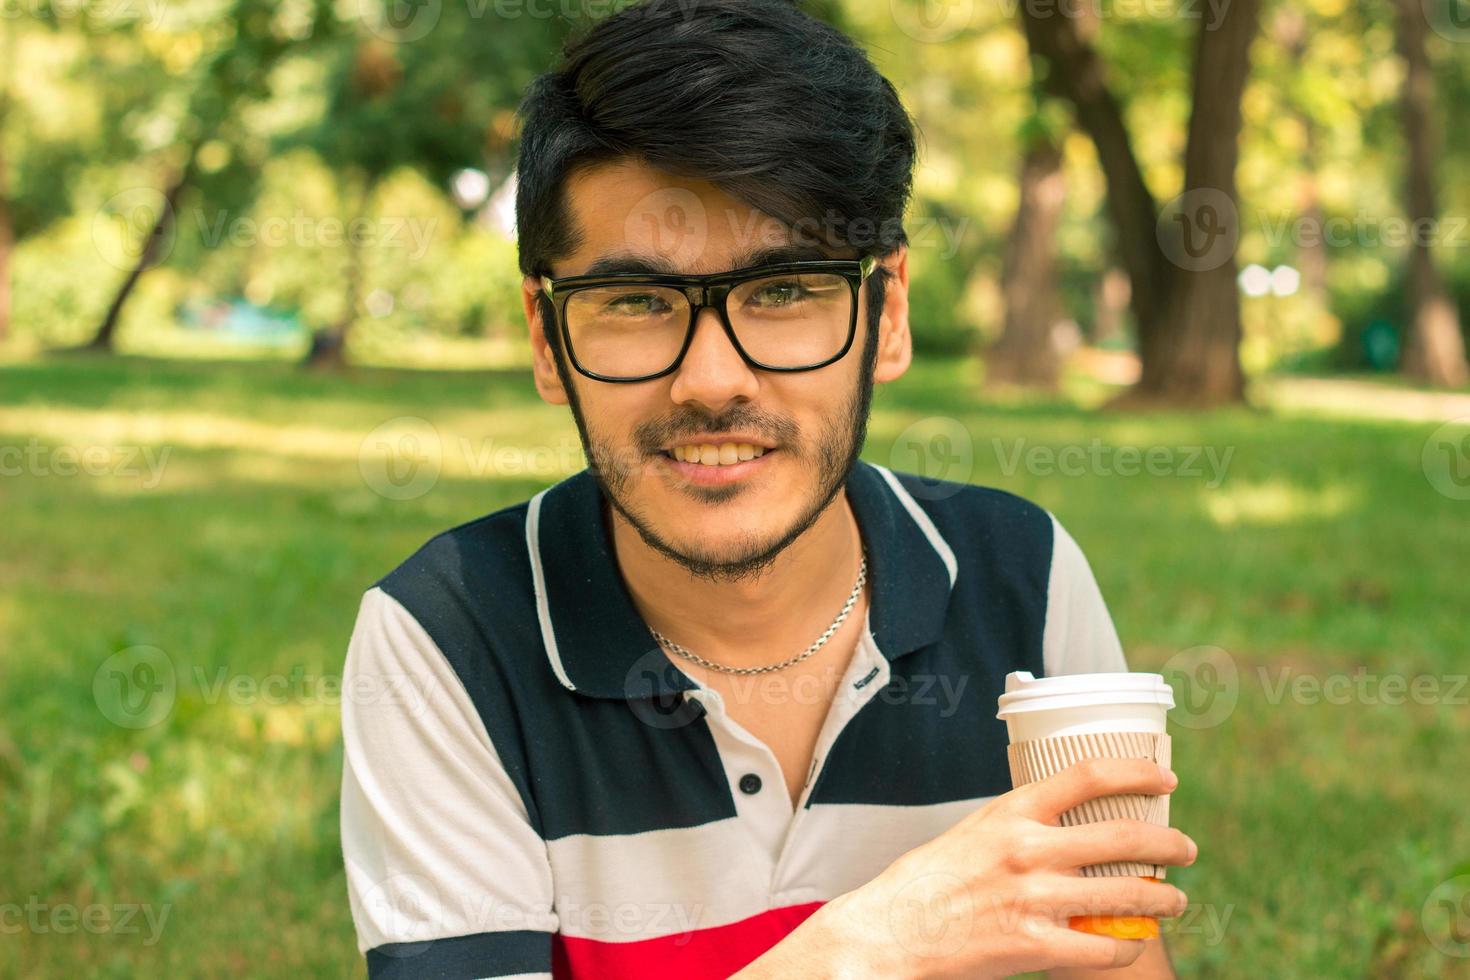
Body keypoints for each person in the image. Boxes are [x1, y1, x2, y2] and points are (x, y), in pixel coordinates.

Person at [339, 1, 1197, 976]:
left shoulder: (1023, 581)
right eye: (636, 301)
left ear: (888, 313)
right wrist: (865, 948)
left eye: (784, 290)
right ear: (548, 340)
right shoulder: (447, 637)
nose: (712, 380)